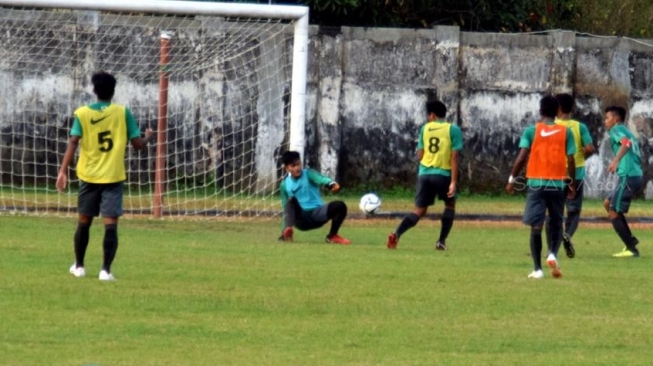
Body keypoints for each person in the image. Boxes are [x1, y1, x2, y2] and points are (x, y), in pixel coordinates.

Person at [56, 71, 153, 281]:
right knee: (111, 223)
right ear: (113, 91)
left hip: (88, 176)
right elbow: (137, 146)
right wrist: (147, 137)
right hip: (112, 177)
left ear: (94, 91)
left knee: (84, 221)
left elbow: (73, 142)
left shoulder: (82, 113)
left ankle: (79, 266)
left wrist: (63, 170)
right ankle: (105, 271)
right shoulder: (122, 113)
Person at [506, 95, 576, 279]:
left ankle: (538, 269)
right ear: (558, 112)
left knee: (536, 226)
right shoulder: (565, 132)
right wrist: (571, 183)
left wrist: (512, 179)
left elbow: (521, 157)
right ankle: (552, 252)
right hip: (557, 183)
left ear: (540, 111)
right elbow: (571, 159)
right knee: (556, 220)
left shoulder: (531, 131)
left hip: (536, 183)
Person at [387, 100, 463, 250]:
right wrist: (453, 181)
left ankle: (396, 234)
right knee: (450, 205)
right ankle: (441, 241)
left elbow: (420, 155)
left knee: (419, 210)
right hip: (443, 174)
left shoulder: (425, 129)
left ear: (432, 115)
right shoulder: (453, 130)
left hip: (425, 174)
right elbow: (454, 157)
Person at [545, 93, 595, 258]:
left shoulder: (550, 127)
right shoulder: (579, 127)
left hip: (554, 175)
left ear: (557, 108)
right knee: (573, 211)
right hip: (576, 173)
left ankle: (551, 248)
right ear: (571, 108)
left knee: (552, 212)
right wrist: (581, 156)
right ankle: (567, 235)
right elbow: (590, 148)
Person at [278, 151, 351, 245]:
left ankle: (332, 236)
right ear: (287, 168)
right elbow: (285, 208)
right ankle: (286, 235)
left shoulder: (308, 174)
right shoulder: (284, 185)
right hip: (301, 219)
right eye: (293, 165)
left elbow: (321, 179)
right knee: (291, 201)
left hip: (318, 214)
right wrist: (284, 229)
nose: (297, 168)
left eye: (298, 164)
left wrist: (330, 183)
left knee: (340, 205)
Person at [603, 106, 643, 258]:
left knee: (613, 211)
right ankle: (630, 239)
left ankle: (631, 249)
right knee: (608, 204)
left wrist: (616, 160)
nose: (605, 121)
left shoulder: (616, 130)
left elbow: (626, 143)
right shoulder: (627, 130)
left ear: (616, 119)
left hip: (628, 176)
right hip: (632, 175)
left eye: (607, 118)